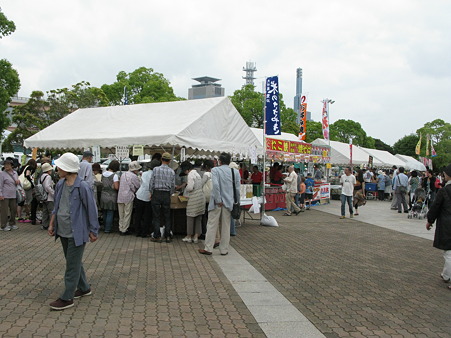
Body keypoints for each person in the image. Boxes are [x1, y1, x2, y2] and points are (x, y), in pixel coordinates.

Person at [47, 152, 99, 311]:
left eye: (60, 166)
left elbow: (92, 209)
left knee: (71, 265)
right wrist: (51, 224)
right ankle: (84, 288)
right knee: (74, 262)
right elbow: (56, 206)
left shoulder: (82, 186)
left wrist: (93, 230)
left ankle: (67, 297)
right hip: (62, 230)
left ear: (67, 169)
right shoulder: (60, 184)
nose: (57, 169)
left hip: (77, 232)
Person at [199, 152, 239, 256]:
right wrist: (236, 201)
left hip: (217, 202)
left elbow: (215, 185)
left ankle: (208, 248)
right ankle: (224, 249)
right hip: (229, 202)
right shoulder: (235, 172)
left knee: (212, 224)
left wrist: (218, 199)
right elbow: (237, 189)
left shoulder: (215, 170)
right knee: (226, 226)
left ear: (219, 161)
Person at [426, 164, 451, 290]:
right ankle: (446, 274)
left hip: (447, 224)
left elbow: (436, 207)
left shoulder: (444, 191)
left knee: (448, 252)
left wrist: (430, 221)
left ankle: (447, 275)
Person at [149, 152, 175, 243]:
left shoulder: (155, 169)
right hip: (166, 194)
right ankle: (167, 236)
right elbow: (172, 186)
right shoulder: (172, 171)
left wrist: (151, 192)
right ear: (169, 161)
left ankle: (157, 236)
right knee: (167, 216)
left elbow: (151, 183)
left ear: (161, 159)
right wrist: (170, 194)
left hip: (156, 193)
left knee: (156, 215)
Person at [181, 161, 205, 243]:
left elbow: (190, 188)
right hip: (201, 197)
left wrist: (186, 186)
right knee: (198, 217)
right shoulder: (197, 174)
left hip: (194, 197)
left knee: (190, 217)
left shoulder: (190, 175)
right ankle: (196, 236)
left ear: (186, 169)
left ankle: (189, 236)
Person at [134, 160, 159, 238]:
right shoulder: (156, 175)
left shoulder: (144, 174)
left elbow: (141, 183)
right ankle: (144, 232)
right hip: (149, 196)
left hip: (139, 194)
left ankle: (137, 231)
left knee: (138, 215)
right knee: (147, 216)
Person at [117, 161, 141, 235]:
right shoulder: (134, 176)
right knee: (127, 214)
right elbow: (138, 186)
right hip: (128, 197)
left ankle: (120, 228)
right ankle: (124, 229)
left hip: (120, 196)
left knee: (121, 214)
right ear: (135, 170)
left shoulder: (123, 174)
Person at [100, 160, 120, 233]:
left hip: (103, 195)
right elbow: (116, 187)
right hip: (111, 196)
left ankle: (105, 227)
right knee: (110, 212)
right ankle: (107, 229)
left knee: (104, 212)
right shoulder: (114, 176)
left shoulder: (103, 174)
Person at [0, 159, 19, 231]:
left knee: (13, 210)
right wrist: (0, 194)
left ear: (12, 165)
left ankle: (12, 223)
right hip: (5, 195)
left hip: (13, 194)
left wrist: (18, 182)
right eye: (5, 165)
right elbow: (0, 185)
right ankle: (3, 225)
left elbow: (17, 183)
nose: (6, 166)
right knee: (4, 211)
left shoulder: (15, 173)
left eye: (8, 164)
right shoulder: (2, 174)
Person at [40, 163, 55, 230]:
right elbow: (47, 186)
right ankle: (52, 225)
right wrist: (53, 193)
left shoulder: (42, 176)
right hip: (49, 197)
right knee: (51, 211)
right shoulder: (48, 177)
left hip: (43, 196)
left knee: (45, 211)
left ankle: (44, 224)